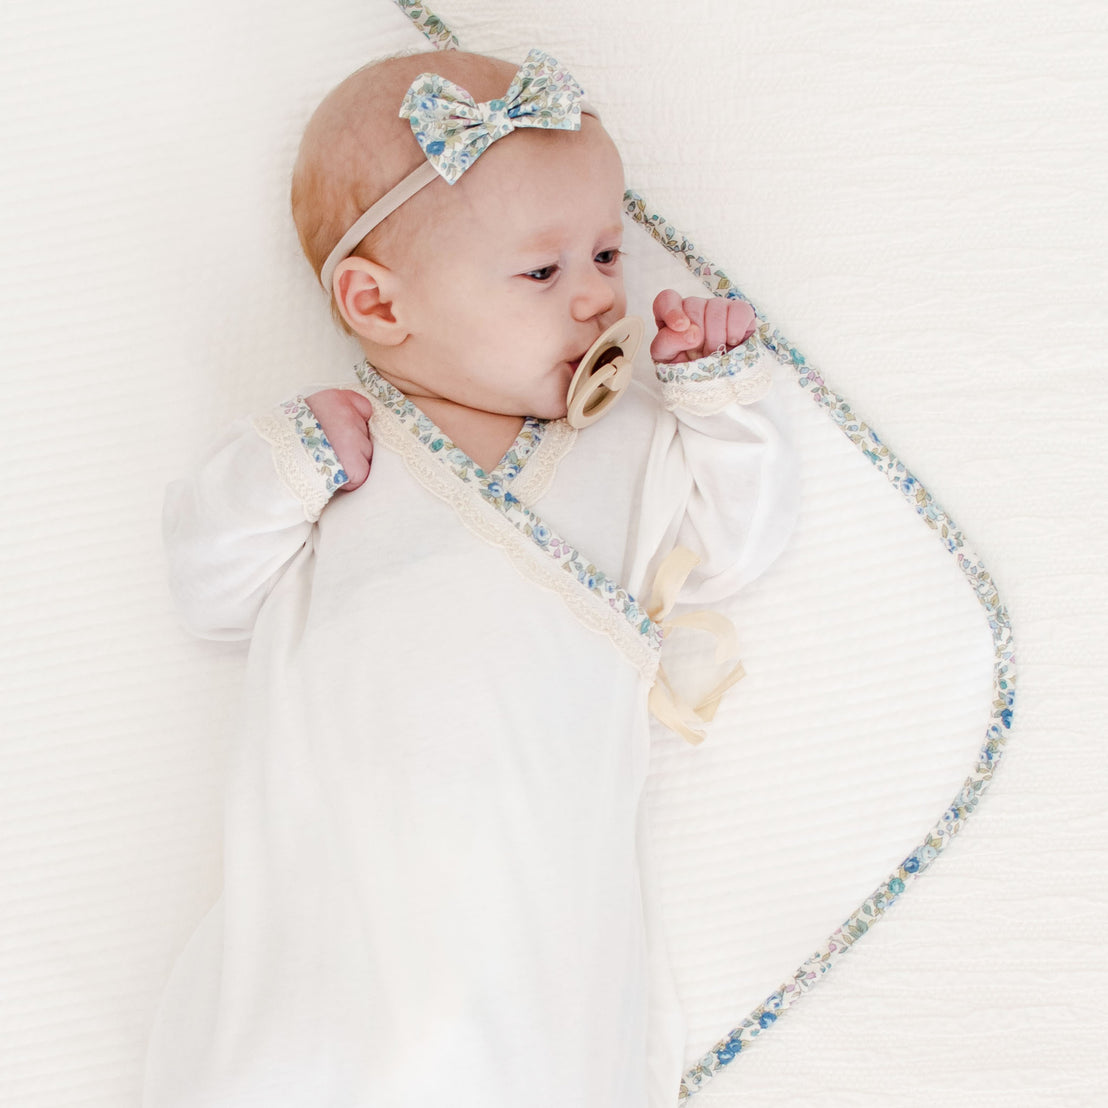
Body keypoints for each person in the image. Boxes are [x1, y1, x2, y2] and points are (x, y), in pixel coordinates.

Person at [144, 46, 796, 1108]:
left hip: (533, 926)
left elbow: (733, 545)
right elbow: (209, 596)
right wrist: (277, 468)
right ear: (376, 302)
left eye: (604, 253)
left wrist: (720, 404)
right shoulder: (338, 461)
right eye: (542, 272)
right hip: (330, 921)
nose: (596, 299)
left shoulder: (622, 444)